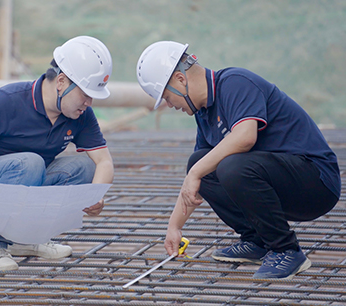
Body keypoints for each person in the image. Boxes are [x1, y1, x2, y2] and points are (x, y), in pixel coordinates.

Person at [136, 41, 340, 279]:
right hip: (282, 182)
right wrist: (174, 227)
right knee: (200, 162)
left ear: (181, 80)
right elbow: (198, 177)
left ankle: (286, 250)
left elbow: (245, 137)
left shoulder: (235, 82)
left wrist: (195, 173)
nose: (170, 105)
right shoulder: (204, 114)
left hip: (316, 183)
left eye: (168, 97)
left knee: (230, 166)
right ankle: (257, 240)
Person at [0, 36, 114, 271]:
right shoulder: (9, 101)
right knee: (31, 163)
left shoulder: (81, 115)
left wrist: (96, 196)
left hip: (25, 181)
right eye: (85, 93)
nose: (89, 102)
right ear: (62, 82)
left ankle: (27, 239)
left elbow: (104, 161)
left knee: (85, 168)